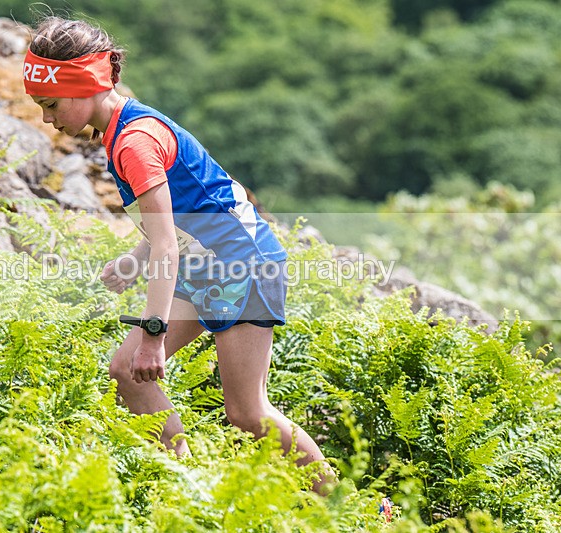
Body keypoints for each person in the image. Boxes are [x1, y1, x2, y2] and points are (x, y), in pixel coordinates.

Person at [24, 16, 333, 494]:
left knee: (247, 412)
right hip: (207, 264)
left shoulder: (134, 143)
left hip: (244, 265)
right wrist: (134, 258)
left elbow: (168, 244)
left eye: (50, 104)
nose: (47, 118)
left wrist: (152, 334)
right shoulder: (120, 132)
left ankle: (347, 511)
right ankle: (189, 489)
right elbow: (176, 224)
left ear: (86, 85)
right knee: (126, 372)